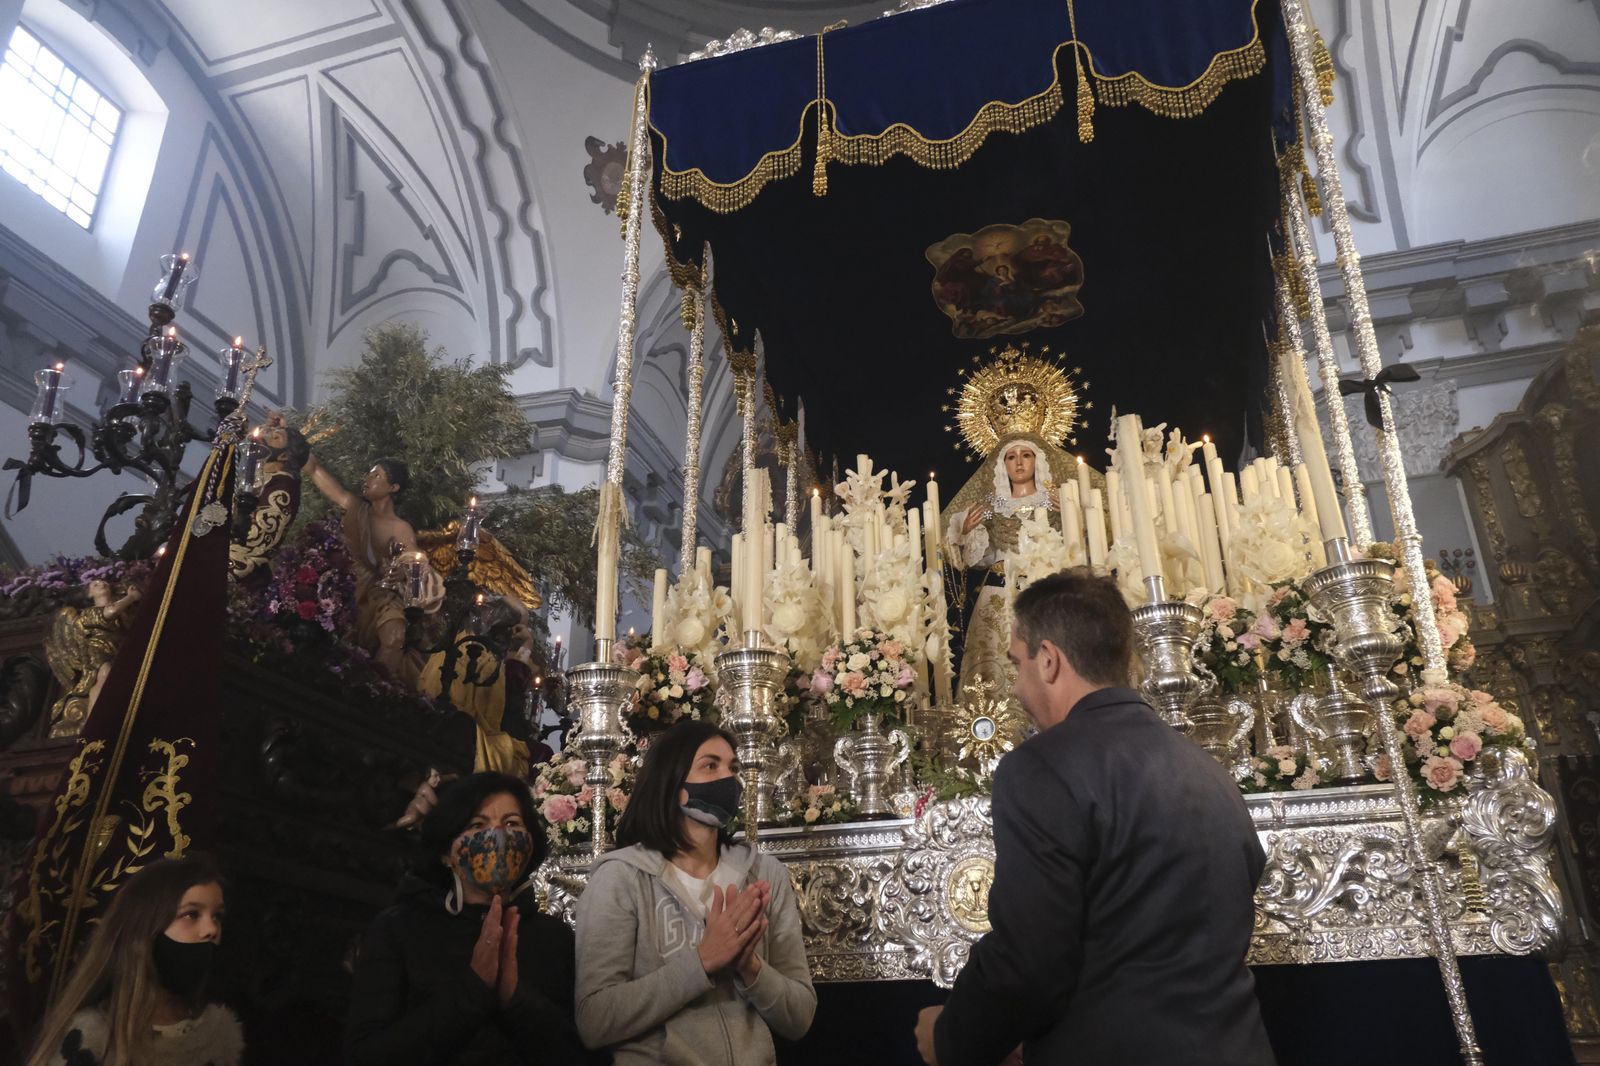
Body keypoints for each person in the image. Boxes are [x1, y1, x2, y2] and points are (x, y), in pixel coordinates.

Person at [915, 568, 1274, 1066]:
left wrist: (951, 1039)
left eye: (1017, 664)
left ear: (1048, 660)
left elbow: (1030, 960)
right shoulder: (1205, 767)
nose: (1015, 689)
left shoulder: (1040, 766)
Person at [575, 720, 815, 1064]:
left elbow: (799, 1017)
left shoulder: (764, 874)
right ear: (672, 783)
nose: (728, 779)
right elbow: (595, 1019)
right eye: (710, 766)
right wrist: (701, 963)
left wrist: (750, 967)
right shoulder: (621, 877)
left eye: (733, 768)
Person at [345, 771, 594, 1065]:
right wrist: (473, 988)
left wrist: (517, 999)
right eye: (477, 825)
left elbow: (582, 1056)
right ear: (446, 852)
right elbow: (366, 1055)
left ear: (530, 844)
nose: (498, 836)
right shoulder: (398, 928)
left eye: (512, 823)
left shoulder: (555, 938)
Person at [27, 853, 243, 1066]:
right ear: (145, 928)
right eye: (191, 914)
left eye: (217, 916)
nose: (212, 929)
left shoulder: (216, 1039)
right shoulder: (95, 1038)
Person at [299, 442, 441, 685]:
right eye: (369, 474)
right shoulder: (354, 508)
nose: (368, 479)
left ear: (393, 487)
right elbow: (314, 470)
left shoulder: (400, 528)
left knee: (395, 634)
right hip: (345, 586)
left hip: (381, 594)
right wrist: (297, 447)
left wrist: (402, 572)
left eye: (376, 476)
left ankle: (373, 690)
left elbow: (416, 565)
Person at [944, 434, 1067, 697]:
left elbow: (1077, 545)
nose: (1019, 462)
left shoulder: (1057, 502)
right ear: (1003, 465)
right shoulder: (991, 509)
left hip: (1046, 589)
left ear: (1038, 460)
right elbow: (977, 559)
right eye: (1011, 457)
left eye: (1026, 455)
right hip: (999, 594)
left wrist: (1071, 514)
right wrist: (965, 534)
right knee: (994, 661)